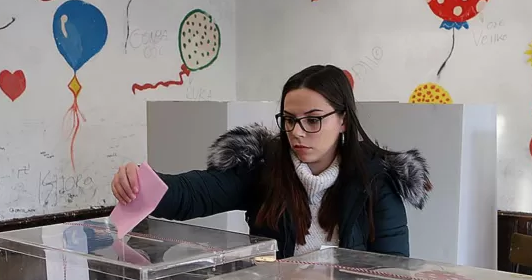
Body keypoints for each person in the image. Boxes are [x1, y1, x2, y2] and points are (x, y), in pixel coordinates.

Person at [111, 64, 431, 257]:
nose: (297, 132)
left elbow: (390, 274)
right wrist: (141, 184)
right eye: (289, 120)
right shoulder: (265, 166)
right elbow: (194, 194)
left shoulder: (376, 182)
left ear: (343, 120)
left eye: (313, 120)